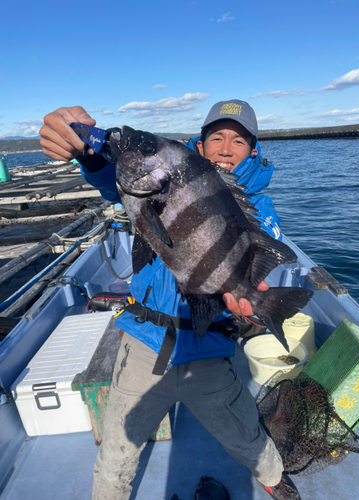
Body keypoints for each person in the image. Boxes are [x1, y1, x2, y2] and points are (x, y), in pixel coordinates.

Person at [40, 99, 302, 500]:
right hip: (142, 345)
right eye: (217, 137)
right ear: (200, 146)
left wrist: (252, 307)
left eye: (239, 140)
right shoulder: (164, 176)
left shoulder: (258, 206)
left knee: (247, 434)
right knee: (115, 452)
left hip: (208, 350)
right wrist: (89, 157)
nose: (227, 148)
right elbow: (116, 180)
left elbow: (264, 245)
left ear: (253, 150)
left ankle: (274, 478)